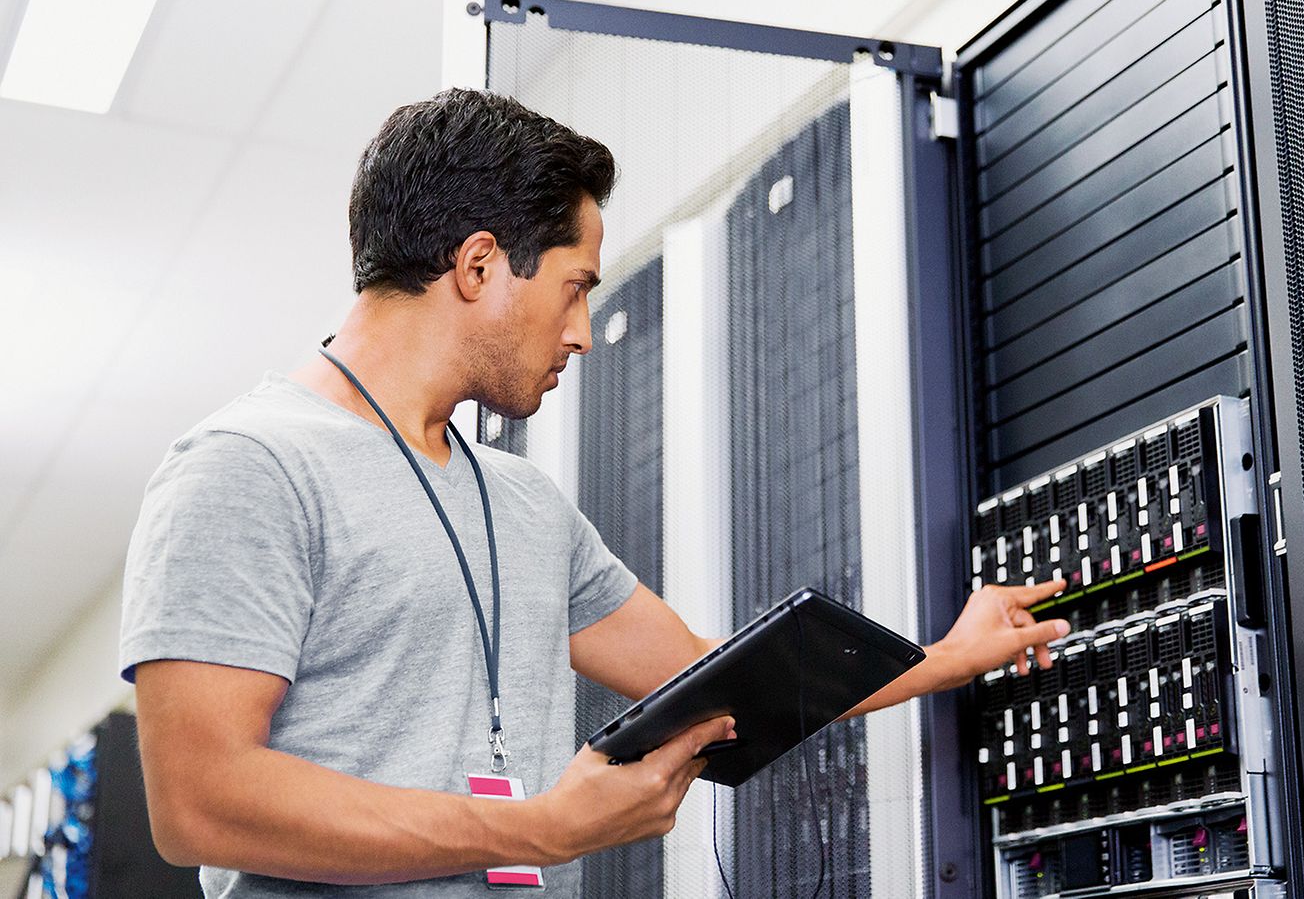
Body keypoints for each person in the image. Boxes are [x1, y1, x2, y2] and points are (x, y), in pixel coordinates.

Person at [120, 88, 1069, 897]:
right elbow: (200, 801)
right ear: (480, 265)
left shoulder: (524, 503)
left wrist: (951, 656)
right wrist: (536, 829)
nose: (581, 331)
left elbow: (704, 672)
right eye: (574, 287)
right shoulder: (248, 465)